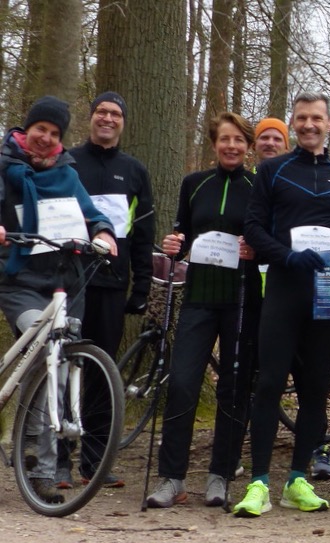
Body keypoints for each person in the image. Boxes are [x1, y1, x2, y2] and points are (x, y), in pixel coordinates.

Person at [233, 92, 330, 517]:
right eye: (301, 118)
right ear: (294, 122)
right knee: (268, 384)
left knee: (316, 388)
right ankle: (259, 483)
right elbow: (253, 227)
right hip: (285, 284)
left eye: (316, 118)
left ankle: (298, 479)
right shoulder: (271, 169)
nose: (308, 125)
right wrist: (286, 255)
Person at [0, 96, 118, 503]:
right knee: (39, 338)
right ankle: (28, 435)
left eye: (53, 133)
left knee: (62, 370)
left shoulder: (67, 172)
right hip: (20, 281)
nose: (45, 138)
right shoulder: (4, 167)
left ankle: (44, 471)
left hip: (67, 282)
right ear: (26, 129)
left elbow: (91, 213)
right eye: (40, 130)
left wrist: (103, 233)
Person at [145, 112, 262, 509]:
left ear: (247, 146)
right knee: (181, 383)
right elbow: (180, 233)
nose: (231, 146)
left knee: (234, 386)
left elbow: (265, 237)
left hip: (242, 300)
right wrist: (173, 243)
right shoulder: (194, 184)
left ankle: (220, 475)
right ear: (214, 143)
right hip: (198, 297)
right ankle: (171, 478)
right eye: (224, 139)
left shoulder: (257, 185)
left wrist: (255, 248)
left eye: (238, 141)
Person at [66, 91, 155, 488]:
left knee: (102, 372)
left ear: (123, 122)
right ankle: (54, 461)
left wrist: (142, 285)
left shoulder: (134, 171)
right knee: (64, 368)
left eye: (115, 113)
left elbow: (143, 235)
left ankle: (95, 461)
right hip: (68, 282)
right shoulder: (69, 162)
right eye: (101, 111)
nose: (107, 118)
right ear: (91, 118)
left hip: (112, 286)